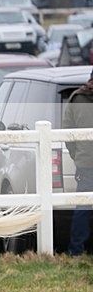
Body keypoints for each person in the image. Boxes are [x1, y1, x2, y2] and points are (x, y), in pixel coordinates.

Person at [62, 68, 93, 256]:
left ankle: (76, 250)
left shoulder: (77, 98)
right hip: (85, 161)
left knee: (82, 206)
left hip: (86, 163)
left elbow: (68, 134)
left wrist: (78, 156)